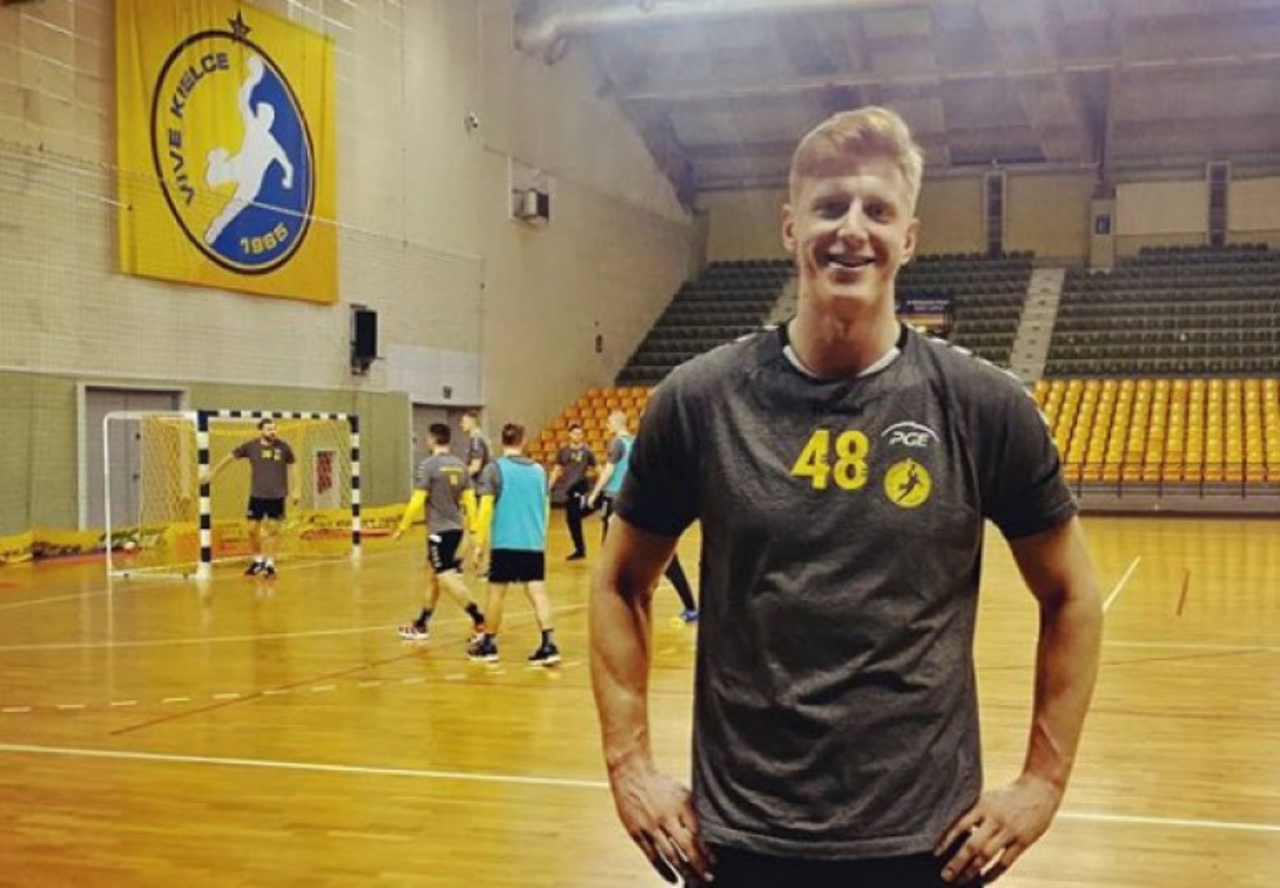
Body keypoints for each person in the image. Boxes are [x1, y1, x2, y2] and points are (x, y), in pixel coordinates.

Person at [589, 105, 1103, 888]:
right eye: (830, 206)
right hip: (737, 843)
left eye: (877, 210)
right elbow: (620, 583)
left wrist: (1043, 783)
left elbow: (1071, 595)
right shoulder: (700, 401)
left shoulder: (984, 406)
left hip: (926, 846)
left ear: (910, 237)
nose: (852, 230)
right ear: (791, 227)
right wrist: (629, 767)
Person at [588, 410, 698, 623]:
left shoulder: (622, 444)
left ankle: (620, 608)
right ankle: (688, 606)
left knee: (615, 558)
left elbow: (611, 472)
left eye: (609, 422)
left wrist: (595, 495)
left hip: (626, 503)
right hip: (645, 504)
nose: (607, 425)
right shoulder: (639, 444)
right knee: (664, 559)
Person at [467, 423, 560, 667]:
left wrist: (478, 544)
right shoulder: (539, 471)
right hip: (532, 542)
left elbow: (485, 509)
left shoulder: (494, 469)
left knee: (496, 592)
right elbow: (546, 507)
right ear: (523, 440)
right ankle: (549, 644)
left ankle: (488, 643)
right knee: (537, 591)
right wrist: (540, 535)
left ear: (502, 441)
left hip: (505, 542)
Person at [392, 423, 486, 643]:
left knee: (445, 576)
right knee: (433, 577)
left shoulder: (428, 466)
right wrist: (473, 530)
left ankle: (479, 619)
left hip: (438, 532)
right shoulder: (461, 466)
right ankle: (422, 624)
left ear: (431, 440)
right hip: (456, 530)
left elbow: (417, 499)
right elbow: (470, 501)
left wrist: (403, 526)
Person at [204, 417, 300, 578]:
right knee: (252, 529)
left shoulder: (283, 447)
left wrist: (297, 488)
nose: (273, 432)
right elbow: (230, 457)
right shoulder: (251, 446)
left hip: (277, 496)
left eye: (274, 429)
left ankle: (270, 565)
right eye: (269, 429)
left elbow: (293, 466)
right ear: (261, 431)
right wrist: (212, 473)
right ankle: (258, 561)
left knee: (273, 530)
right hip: (257, 495)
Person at [546, 422, 597, 560]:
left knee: (574, 516)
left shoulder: (587, 451)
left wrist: (601, 486)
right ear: (570, 435)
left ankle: (596, 504)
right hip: (568, 489)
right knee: (572, 520)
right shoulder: (563, 451)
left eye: (580, 433)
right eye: (575, 433)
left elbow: (597, 468)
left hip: (580, 486)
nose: (578, 436)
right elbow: (557, 470)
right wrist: (548, 488)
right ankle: (580, 550)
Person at [460, 409, 492, 574]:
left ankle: (488, 565)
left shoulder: (477, 440)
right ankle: (458, 561)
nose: (461, 424)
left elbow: (475, 466)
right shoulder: (478, 439)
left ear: (473, 421)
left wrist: (459, 478)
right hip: (478, 487)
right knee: (469, 526)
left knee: (480, 528)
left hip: (480, 488)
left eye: (464, 421)